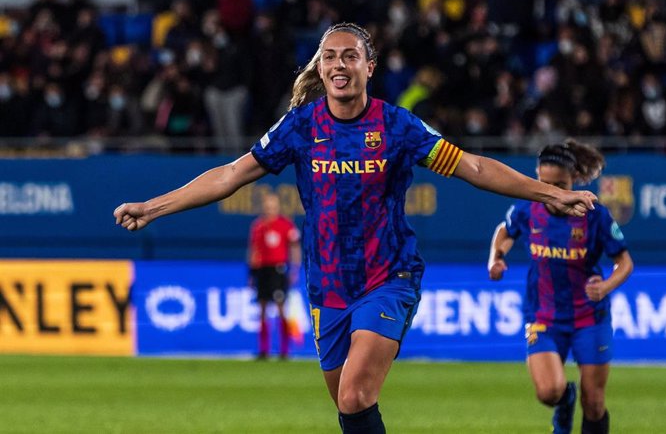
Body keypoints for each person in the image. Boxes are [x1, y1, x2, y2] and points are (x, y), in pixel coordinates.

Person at [114, 22, 597, 434]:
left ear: (369, 67)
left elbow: (471, 167)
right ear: (320, 68)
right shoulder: (300, 126)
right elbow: (229, 176)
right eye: (329, 57)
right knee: (350, 408)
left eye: (350, 55)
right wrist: (154, 207)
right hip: (327, 287)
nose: (339, 64)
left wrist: (551, 193)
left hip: (389, 278)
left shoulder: (398, 126)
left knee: (354, 393)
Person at [487, 139, 633, 434]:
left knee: (594, 402)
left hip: (589, 318)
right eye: (545, 183)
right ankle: (566, 400)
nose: (553, 192)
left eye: (561, 184)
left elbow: (625, 262)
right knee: (548, 392)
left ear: (575, 180)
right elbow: (504, 230)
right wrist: (495, 258)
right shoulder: (527, 209)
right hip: (543, 316)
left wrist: (605, 287)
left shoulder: (595, 215)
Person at [247, 192, 301, 360]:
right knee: (262, 308)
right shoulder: (258, 226)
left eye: (273, 206)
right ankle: (264, 350)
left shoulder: (286, 225)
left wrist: (295, 268)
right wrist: (251, 273)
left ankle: (284, 351)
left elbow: (295, 247)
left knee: (280, 308)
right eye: (268, 206)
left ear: (277, 207)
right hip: (262, 270)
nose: (270, 209)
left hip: (278, 270)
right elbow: (254, 250)